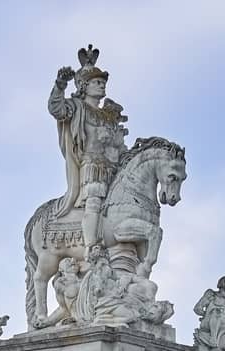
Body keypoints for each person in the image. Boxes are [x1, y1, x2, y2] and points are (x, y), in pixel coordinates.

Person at [48, 49, 129, 252]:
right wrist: (60, 85)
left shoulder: (110, 114)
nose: (101, 85)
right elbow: (56, 109)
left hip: (115, 169)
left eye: (102, 82)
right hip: (91, 166)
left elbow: (120, 144)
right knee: (94, 200)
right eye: (96, 82)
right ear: (84, 85)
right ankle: (91, 248)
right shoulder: (76, 108)